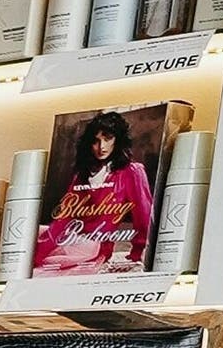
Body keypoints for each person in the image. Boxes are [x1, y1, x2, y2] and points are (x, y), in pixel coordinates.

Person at [29, 111, 158, 275]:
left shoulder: (132, 172)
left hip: (93, 246)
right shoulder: (82, 175)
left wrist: (136, 256)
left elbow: (144, 218)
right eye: (95, 141)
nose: (101, 147)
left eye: (107, 139)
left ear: (117, 140)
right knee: (33, 233)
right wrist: (40, 252)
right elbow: (64, 218)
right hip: (72, 237)